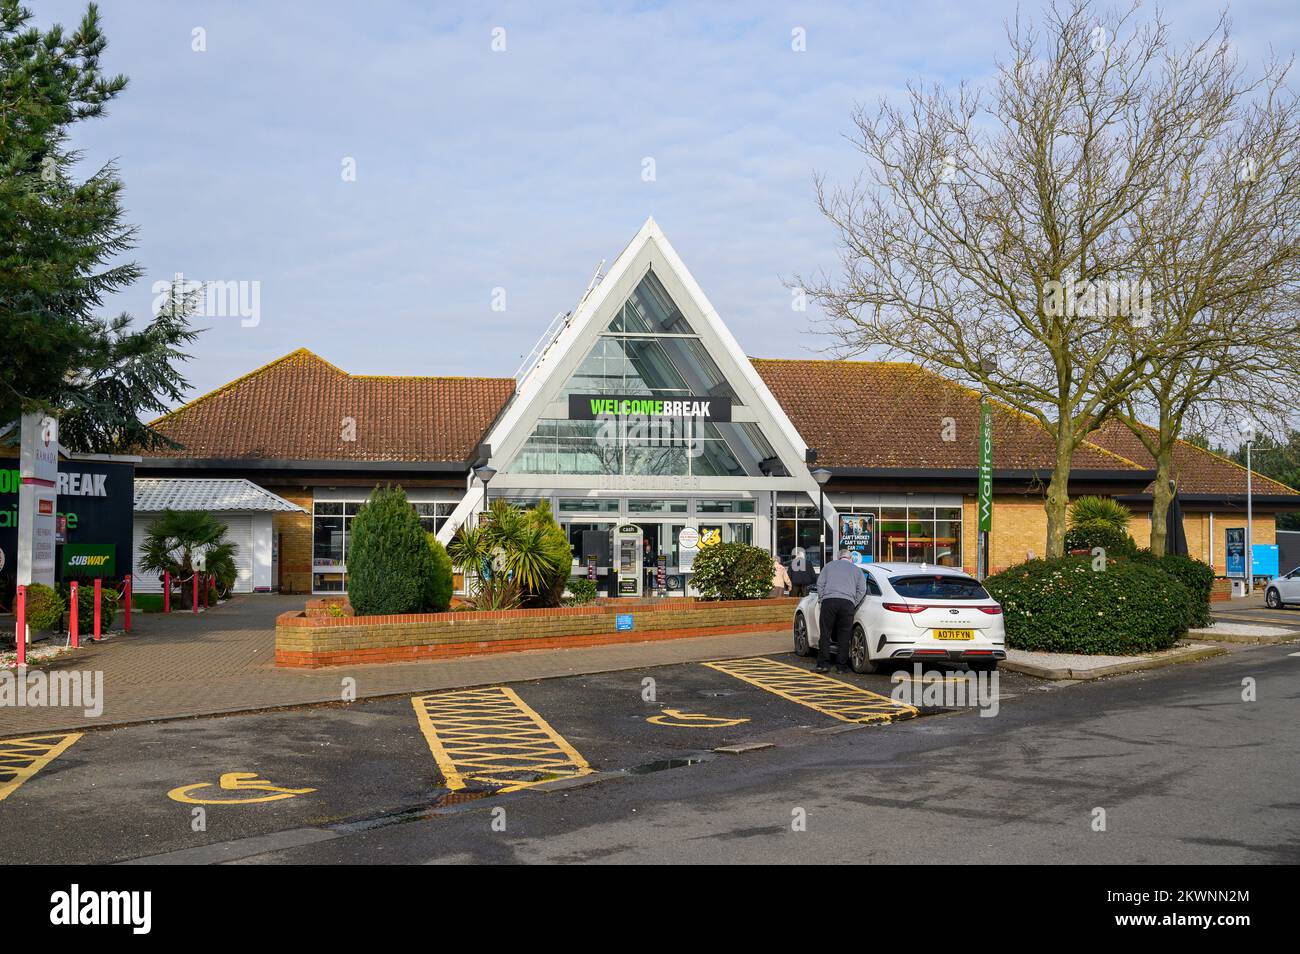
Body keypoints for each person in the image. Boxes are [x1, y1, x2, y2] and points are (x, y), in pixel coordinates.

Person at [815, 548, 867, 673]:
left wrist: (822, 598)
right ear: (850, 559)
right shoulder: (857, 570)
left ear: (839, 557)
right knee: (844, 635)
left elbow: (820, 584)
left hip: (829, 601)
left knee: (825, 633)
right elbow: (862, 589)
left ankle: (823, 665)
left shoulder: (829, 566)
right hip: (847, 603)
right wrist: (853, 602)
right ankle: (841, 667)